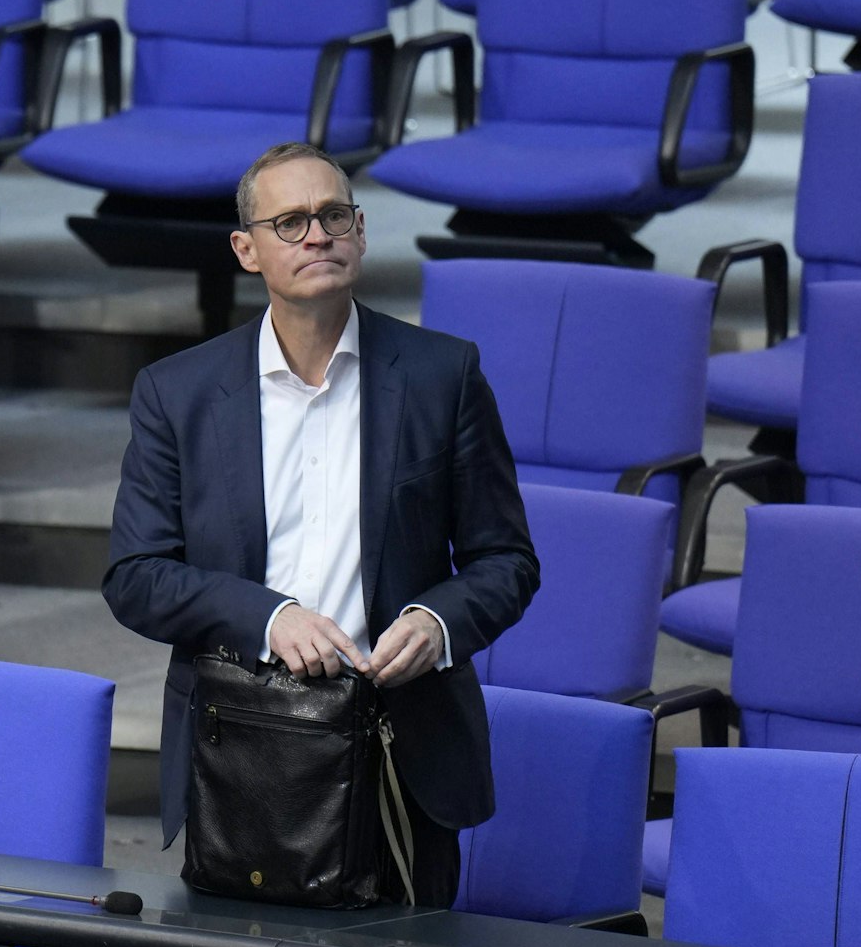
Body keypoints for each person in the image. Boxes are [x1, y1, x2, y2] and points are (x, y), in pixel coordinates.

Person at [103, 141, 539, 908]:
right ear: (247, 249)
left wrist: (439, 620)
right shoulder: (178, 393)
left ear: (361, 231)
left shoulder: (444, 375)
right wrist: (268, 617)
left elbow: (505, 559)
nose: (317, 235)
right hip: (241, 743)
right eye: (291, 221)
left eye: (333, 215)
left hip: (400, 746)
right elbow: (136, 575)